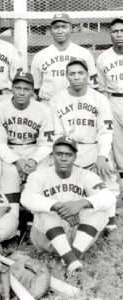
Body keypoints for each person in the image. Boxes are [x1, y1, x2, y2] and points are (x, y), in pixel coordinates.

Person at [21, 136, 115, 278]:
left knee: (100, 211)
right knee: (45, 211)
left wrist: (80, 204)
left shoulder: (86, 175)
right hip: (47, 239)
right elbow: (26, 198)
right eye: (59, 154)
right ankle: (72, 261)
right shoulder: (39, 175)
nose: (63, 159)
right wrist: (57, 206)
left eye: (68, 155)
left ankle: (71, 260)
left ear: (75, 157)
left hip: (77, 237)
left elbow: (109, 197)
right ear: (52, 156)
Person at [50, 58, 118, 231]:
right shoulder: (57, 100)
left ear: (88, 75)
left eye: (81, 73)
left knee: (106, 177)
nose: (77, 77)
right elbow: (57, 132)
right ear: (66, 76)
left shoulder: (100, 99)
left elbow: (105, 131)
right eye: (72, 74)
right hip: (68, 148)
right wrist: (61, 155)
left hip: (93, 146)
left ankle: (110, 222)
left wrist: (102, 156)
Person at [0, 70, 54, 202]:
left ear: (32, 91)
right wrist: (16, 160)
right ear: (12, 88)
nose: (21, 92)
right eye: (18, 88)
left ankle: (35, 210)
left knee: (41, 173)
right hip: (10, 149)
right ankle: (13, 211)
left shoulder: (43, 110)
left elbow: (47, 143)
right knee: (10, 172)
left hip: (34, 148)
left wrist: (34, 160)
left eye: (26, 89)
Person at [31, 13, 97, 105]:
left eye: (64, 27)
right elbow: (36, 88)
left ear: (70, 29)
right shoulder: (40, 56)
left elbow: (93, 85)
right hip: (49, 104)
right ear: (51, 30)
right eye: (56, 27)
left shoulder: (84, 53)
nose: (60, 31)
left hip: (77, 104)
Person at [97, 17, 123, 188]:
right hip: (114, 100)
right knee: (118, 146)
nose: (119, 34)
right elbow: (102, 89)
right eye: (115, 31)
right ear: (110, 34)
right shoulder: (103, 57)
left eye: (122, 31)